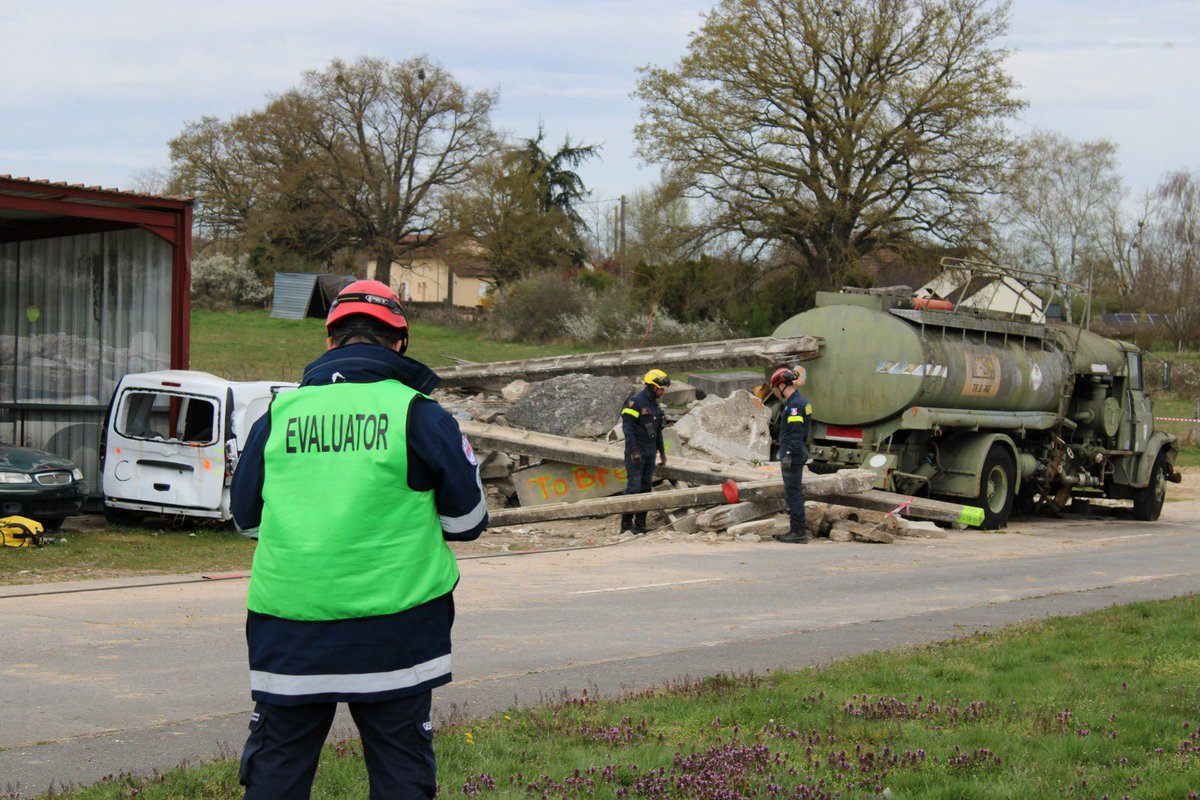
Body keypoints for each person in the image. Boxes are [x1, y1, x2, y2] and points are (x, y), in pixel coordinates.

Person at [230, 279, 488, 799]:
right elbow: (468, 521)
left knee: (276, 773)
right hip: (397, 631)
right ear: (400, 344)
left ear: (329, 342)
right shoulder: (420, 413)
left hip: (289, 632)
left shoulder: (277, 416)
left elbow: (247, 521)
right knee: (401, 775)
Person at [619, 368, 669, 534]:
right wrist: (633, 451)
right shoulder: (635, 402)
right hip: (636, 454)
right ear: (651, 386)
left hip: (649, 453)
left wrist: (661, 452)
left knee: (646, 488)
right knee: (633, 488)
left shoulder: (655, 404)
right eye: (661, 388)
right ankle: (626, 525)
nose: (663, 392)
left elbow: (657, 431)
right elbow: (628, 429)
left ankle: (640, 524)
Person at [770, 366, 812, 544]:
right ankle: (797, 529)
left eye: (775, 387)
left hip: (793, 453)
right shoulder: (801, 402)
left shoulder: (794, 406)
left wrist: (787, 454)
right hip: (798, 451)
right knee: (794, 492)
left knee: (792, 493)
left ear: (781, 385)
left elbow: (795, 433)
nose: (775, 392)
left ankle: (798, 532)